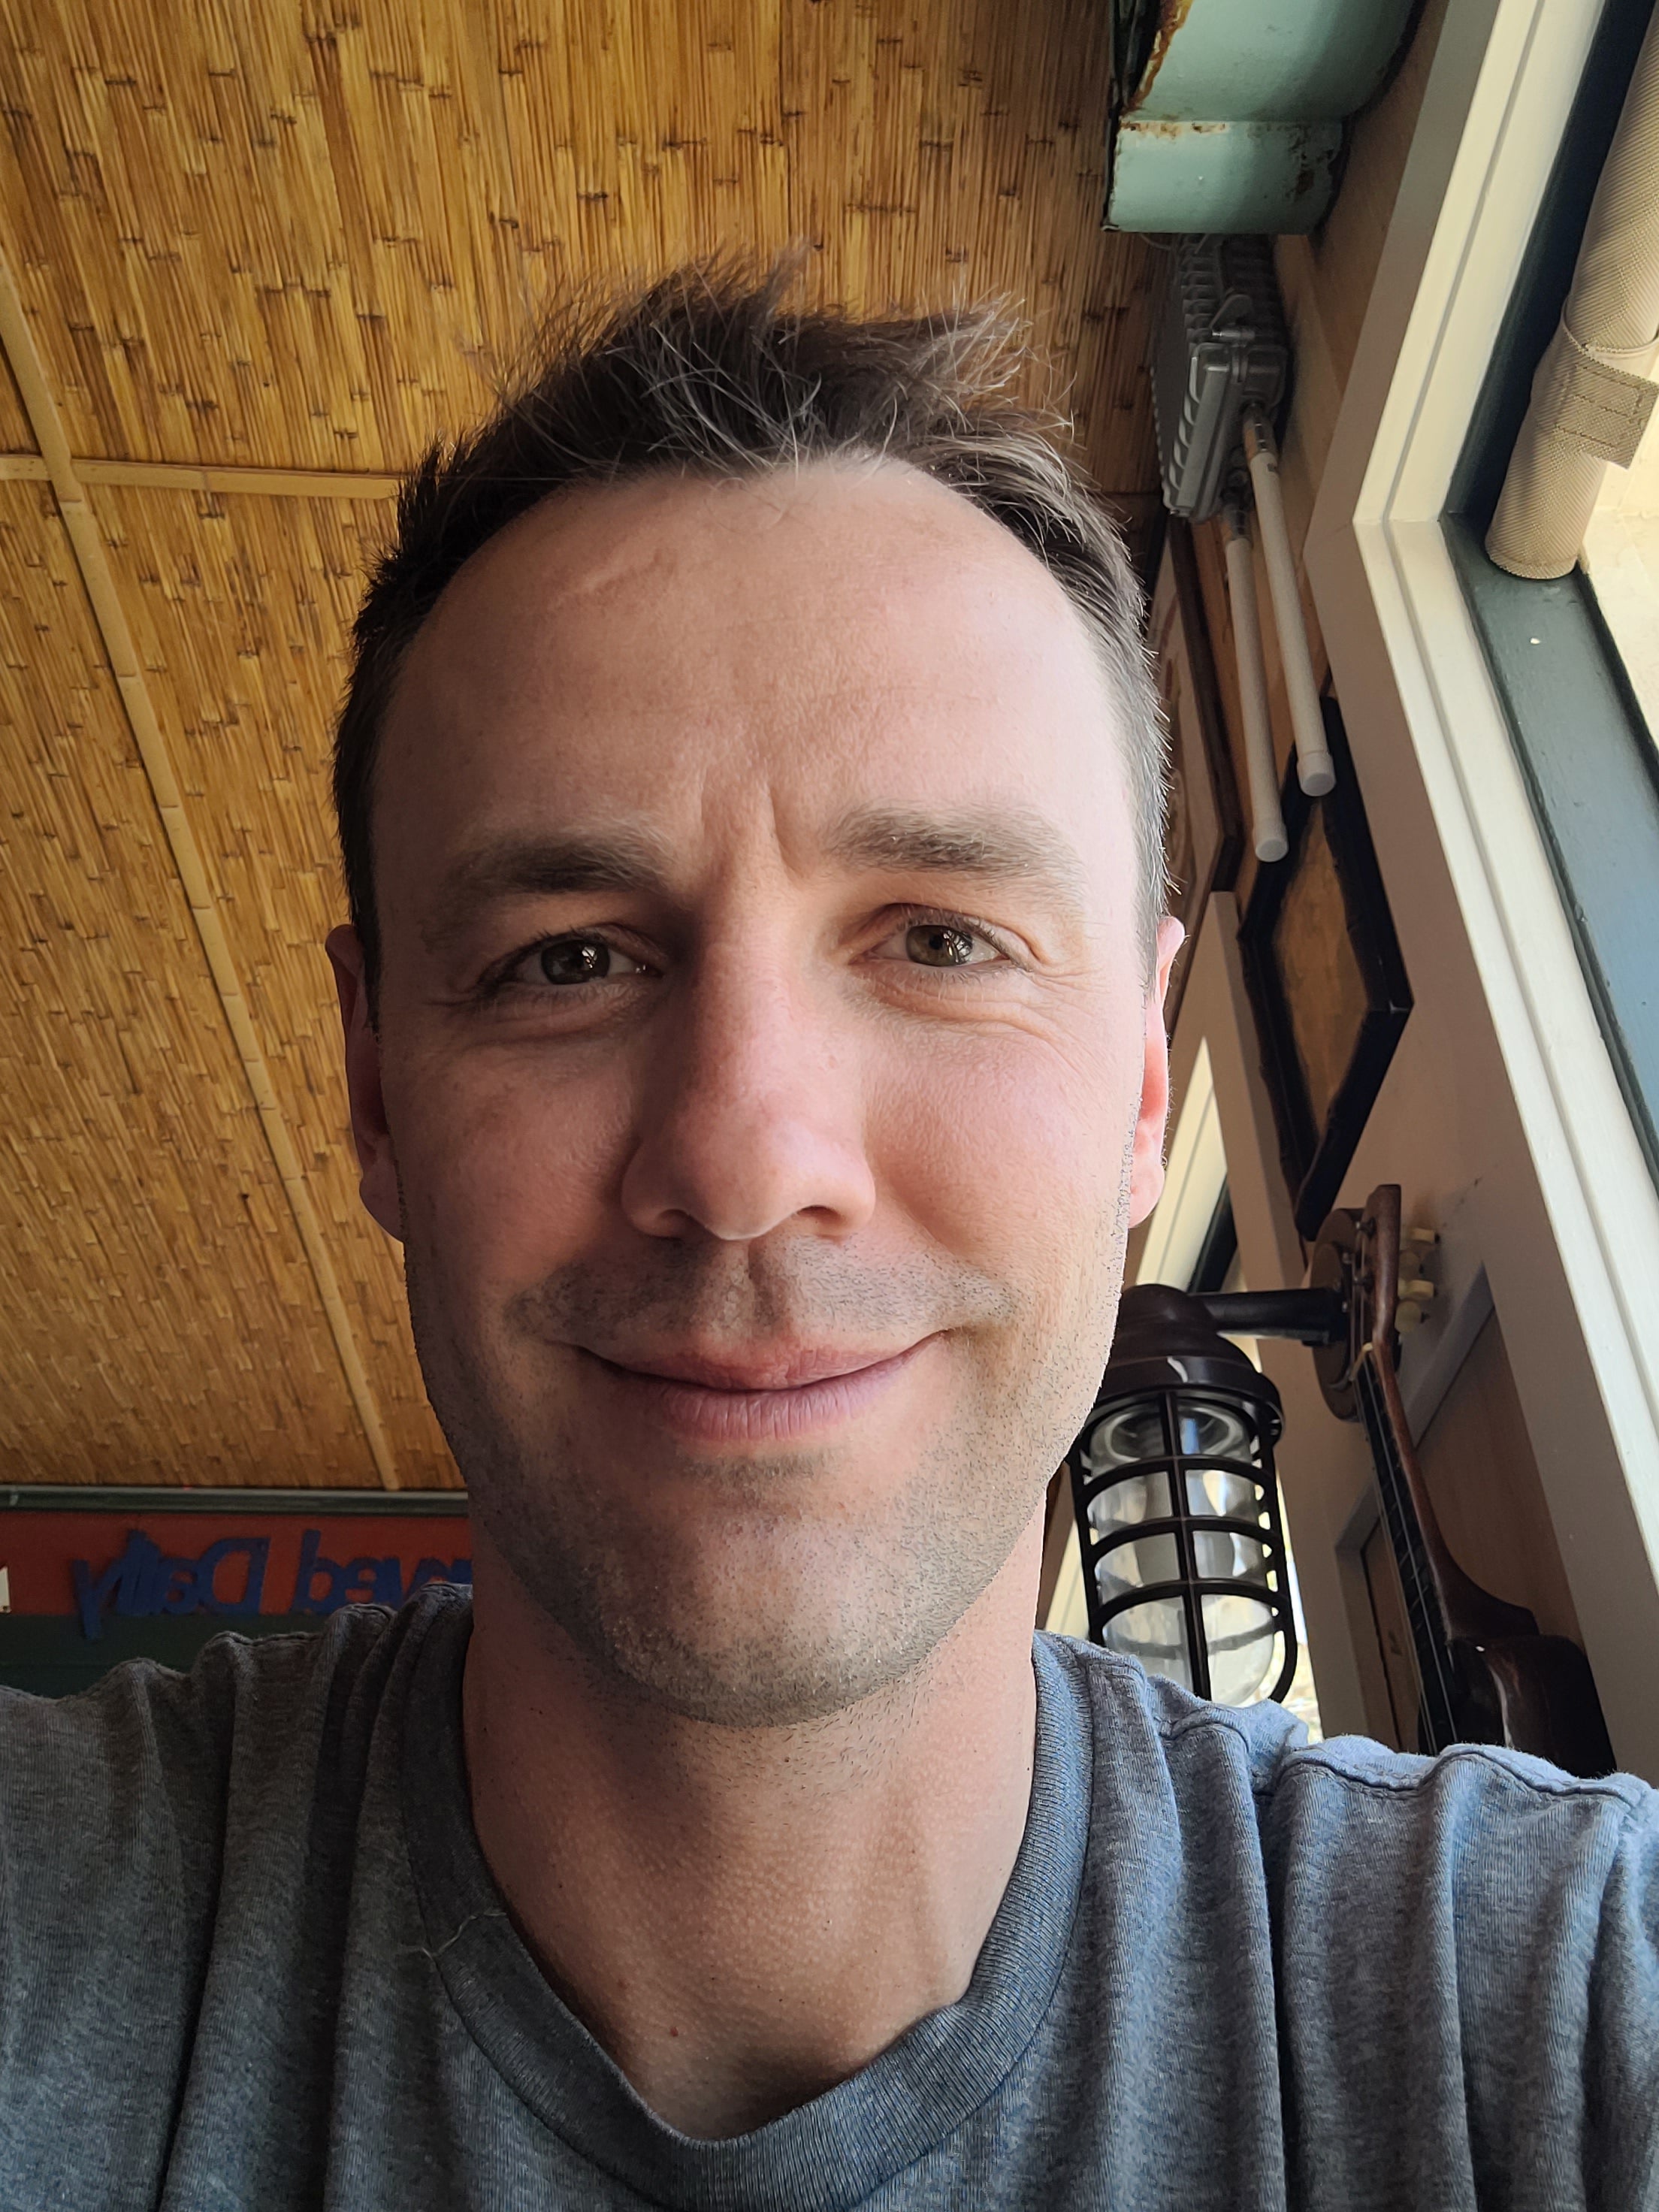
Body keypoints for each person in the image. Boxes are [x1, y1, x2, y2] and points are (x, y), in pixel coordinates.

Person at [2, 262, 1654, 2210]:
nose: (747, 1159)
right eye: (569, 959)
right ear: (375, 1089)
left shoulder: (1555, 2002)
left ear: (1144, 1084)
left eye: (943, 939)